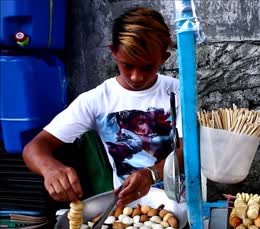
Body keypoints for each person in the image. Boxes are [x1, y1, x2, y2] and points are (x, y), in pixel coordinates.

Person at [22, 7, 183, 208]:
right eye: (127, 65)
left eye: (146, 67)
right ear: (114, 52)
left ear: (163, 58)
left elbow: (188, 149)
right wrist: (50, 168)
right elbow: (34, 148)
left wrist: (152, 174)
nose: (136, 77)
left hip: (181, 203)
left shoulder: (179, 93)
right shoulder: (96, 100)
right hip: (129, 212)